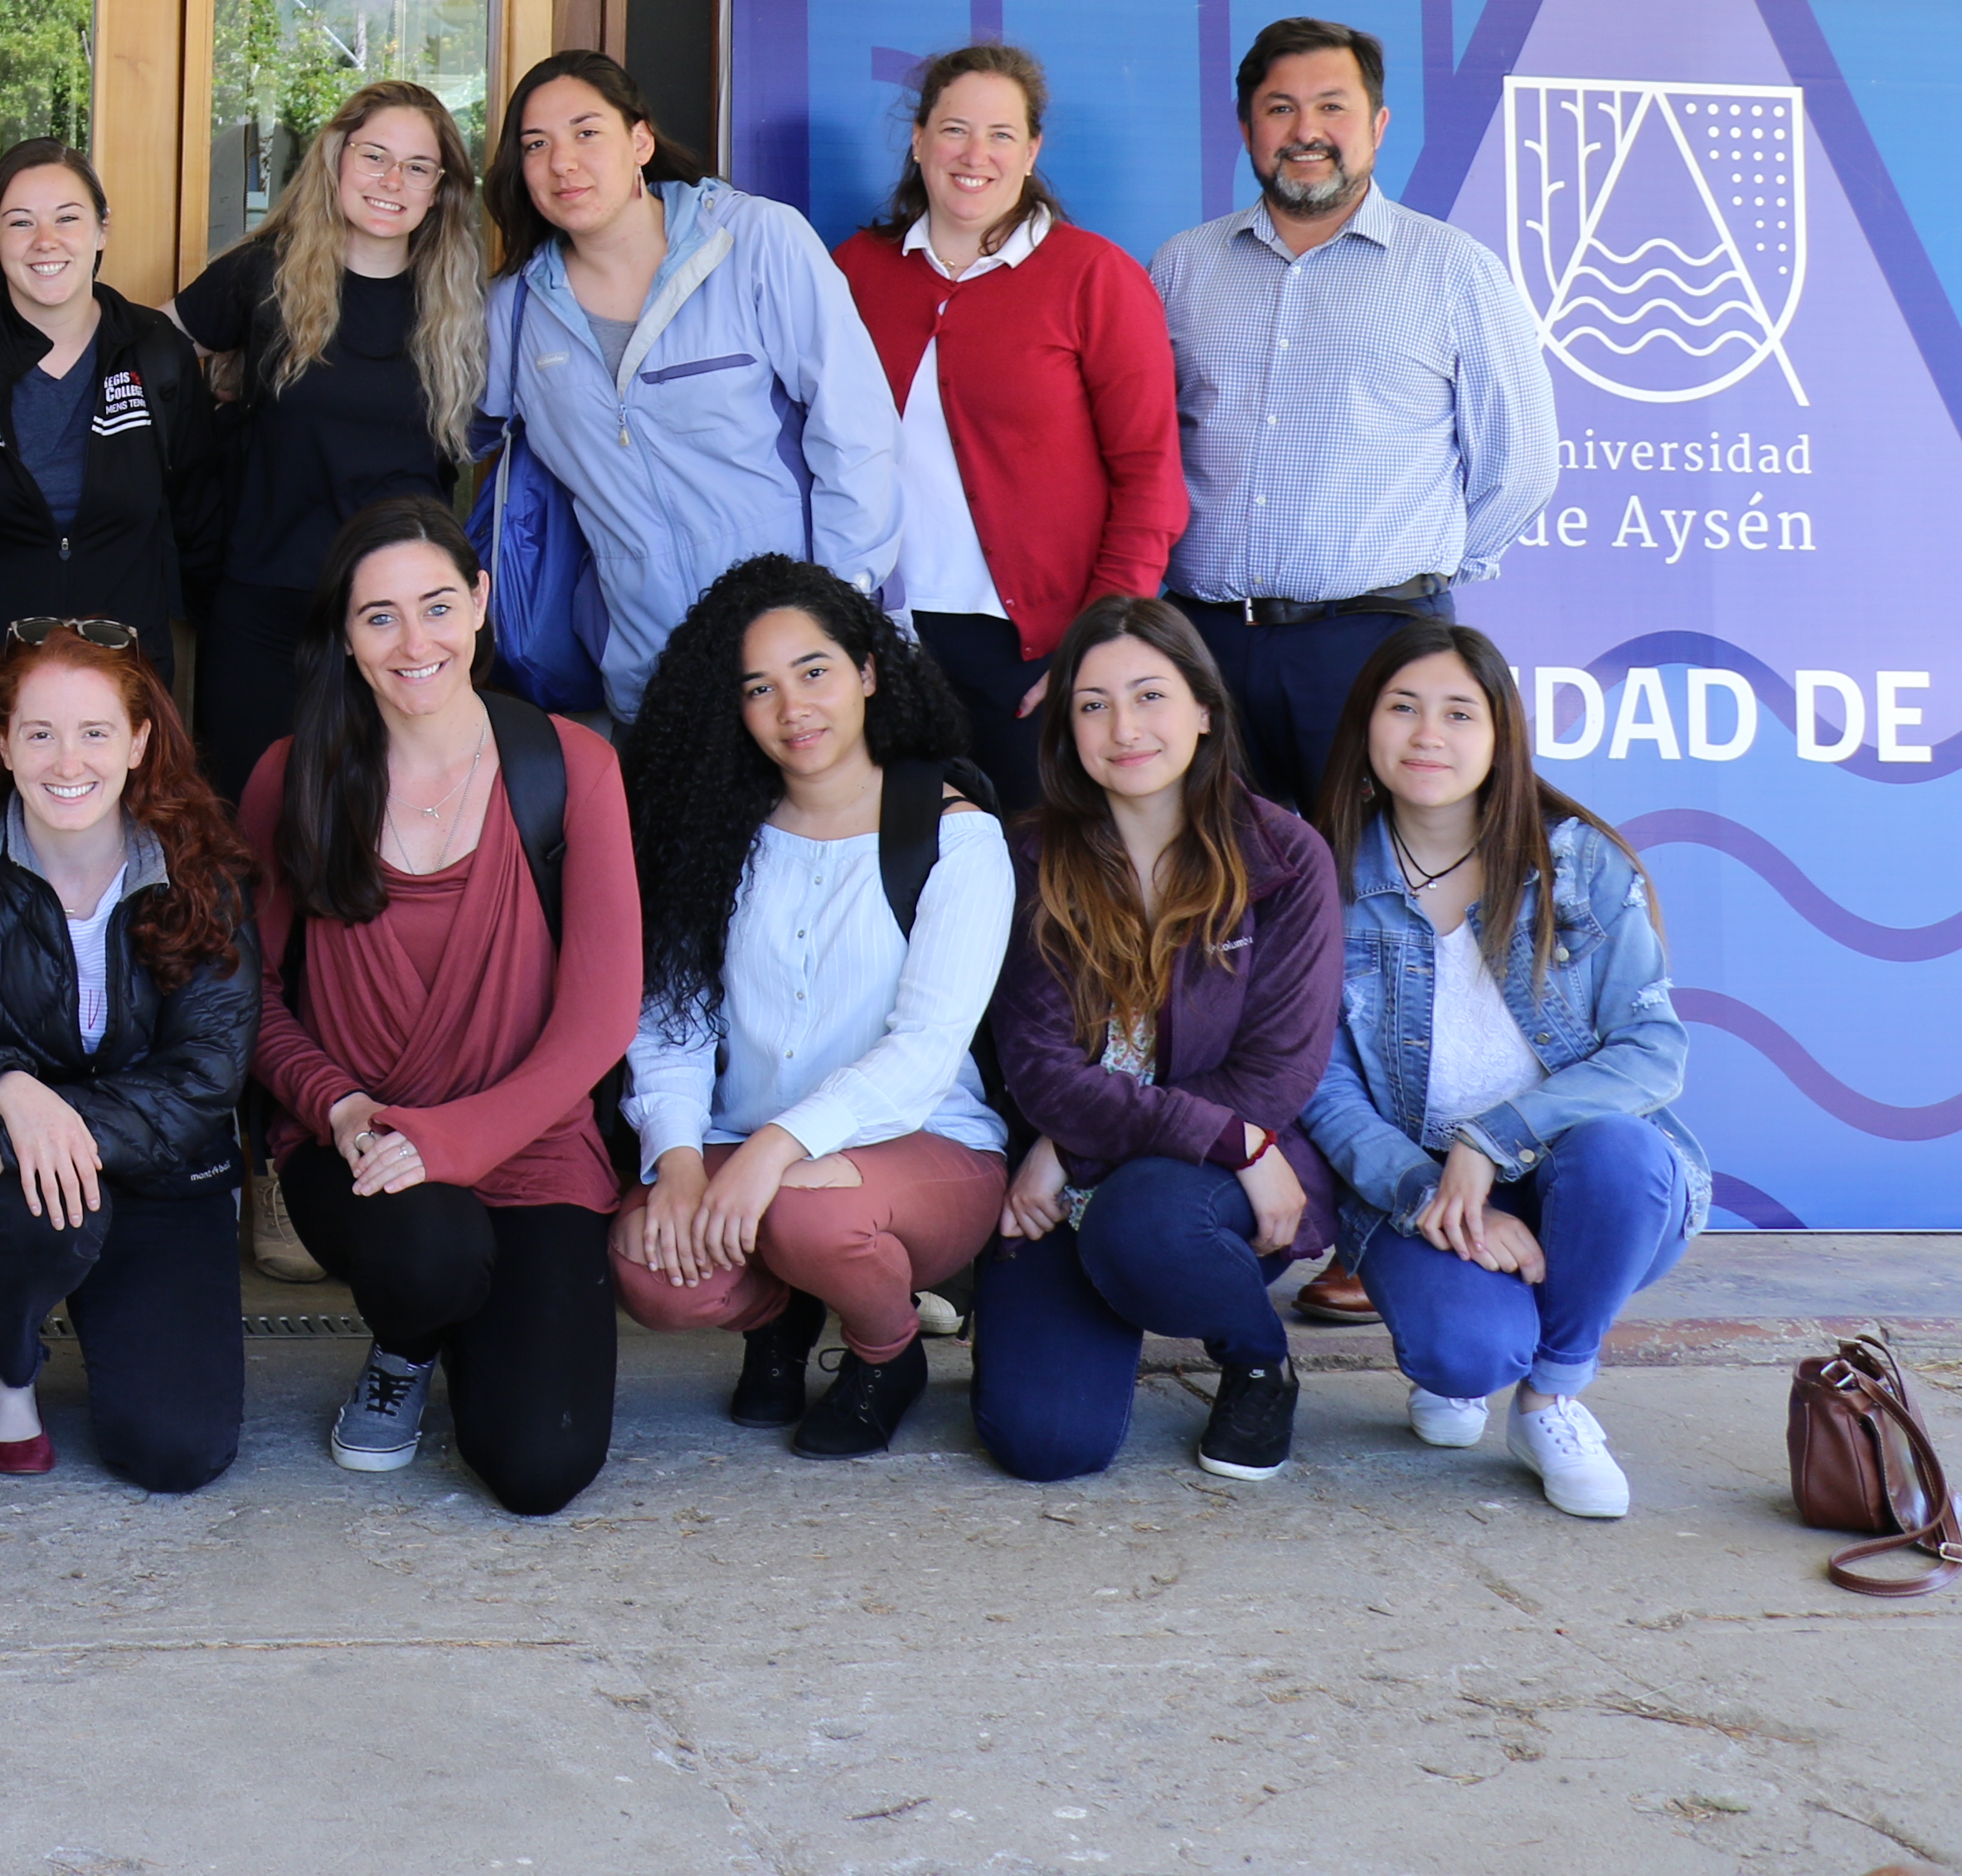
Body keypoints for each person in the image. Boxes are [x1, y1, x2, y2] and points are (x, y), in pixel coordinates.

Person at [240, 498, 638, 1513]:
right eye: (379, 617)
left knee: (538, 1469)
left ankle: (473, 1326)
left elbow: (601, 1016)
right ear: (345, 634)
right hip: (360, 1147)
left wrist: (457, 1141)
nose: (414, 643)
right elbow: (246, 996)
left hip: (533, 1144)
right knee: (432, 1256)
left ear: (483, 605)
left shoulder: (568, 767)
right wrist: (334, 1105)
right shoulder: (294, 777)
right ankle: (409, 1343)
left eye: (437, 607)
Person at [1304, 620, 1709, 1520]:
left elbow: (1653, 1048)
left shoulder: (1578, 861)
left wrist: (1493, 1143)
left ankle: (1551, 1396)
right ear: (1366, 728)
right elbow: (1318, 1084)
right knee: (1468, 1352)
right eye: (1402, 709)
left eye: (1459, 713)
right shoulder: (1320, 873)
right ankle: (1480, 1356)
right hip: (1424, 1189)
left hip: (1579, 1181)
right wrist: (1433, 1191)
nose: (1427, 736)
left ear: (1502, 738)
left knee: (1624, 1157)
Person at [609, 557, 1010, 1458]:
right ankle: (777, 1316)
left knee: (807, 1215)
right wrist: (676, 1159)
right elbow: (672, 1019)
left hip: (922, 1144)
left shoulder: (955, 836)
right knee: (650, 1266)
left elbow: (926, 1048)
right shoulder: (716, 832)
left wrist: (774, 1150)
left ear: (868, 672)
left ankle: (885, 1352)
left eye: (815, 671)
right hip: (740, 1137)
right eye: (761, 687)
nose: (794, 707)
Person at [0, 625, 255, 1493]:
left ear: (139, 742)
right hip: (16, 1203)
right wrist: (6, 1091)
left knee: (176, 1451)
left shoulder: (198, 873)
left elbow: (205, 1076)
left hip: (163, 1175)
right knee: (51, 1210)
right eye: (39, 733)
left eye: (94, 732)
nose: (66, 760)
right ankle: (9, 1365)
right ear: (1, 743)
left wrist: (28, 1127)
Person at [969, 596, 1342, 1486]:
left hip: (1218, 1177)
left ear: (1204, 710)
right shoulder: (1029, 858)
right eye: (1092, 704)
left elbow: (1277, 1072)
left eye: (1149, 696)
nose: (1123, 727)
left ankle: (1255, 1357)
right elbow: (1039, 1070)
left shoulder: (1283, 856)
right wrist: (1066, 1142)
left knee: (1148, 1223)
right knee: (1045, 1446)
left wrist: (1079, 1149)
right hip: (1117, 1165)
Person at [1151, 16, 1556, 809]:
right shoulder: (1181, 266)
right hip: (1203, 646)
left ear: (1377, 125)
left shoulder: (1454, 272)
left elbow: (1523, 465)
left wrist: (1411, 577)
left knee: (1372, 889)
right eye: (1280, 109)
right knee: (1211, 893)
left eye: (1333, 107)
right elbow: (1145, 448)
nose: (1307, 132)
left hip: (1376, 646)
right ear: (1246, 129)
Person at [483, 52, 902, 727]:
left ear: (640, 140)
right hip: (650, 677)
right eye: (537, 145)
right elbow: (455, 432)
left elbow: (857, 433)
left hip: (801, 662)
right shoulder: (516, 309)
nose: (562, 162)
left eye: (587, 132)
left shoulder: (755, 241)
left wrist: (838, 609)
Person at [830, 46, 1188, 796]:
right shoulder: (856, 270)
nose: (975, 155)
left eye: (1001, 135)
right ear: (920, 138)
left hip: (1036, 655)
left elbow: (1151, 483)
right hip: (883, 645)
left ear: (1031, 152)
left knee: (1041, 887)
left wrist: (1095, 651)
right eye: (955, 129)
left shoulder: (1094, 277)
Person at [173, 80, 485, 791]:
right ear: (337, 160)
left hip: (401, 624)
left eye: (417, 167)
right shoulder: (266, 275)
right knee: (245, 831)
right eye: (374, 156)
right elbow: (143, 345)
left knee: (383, 831)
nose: (391, 181)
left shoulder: (463, 306)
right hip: (263, 608)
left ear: (439, 190)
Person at [0, 138, 223, 750]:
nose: (46, 241)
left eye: (68, 218)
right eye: (20, 223)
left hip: (118, 697)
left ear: (101, 231)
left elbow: (199, 524)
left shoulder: (158, 357)